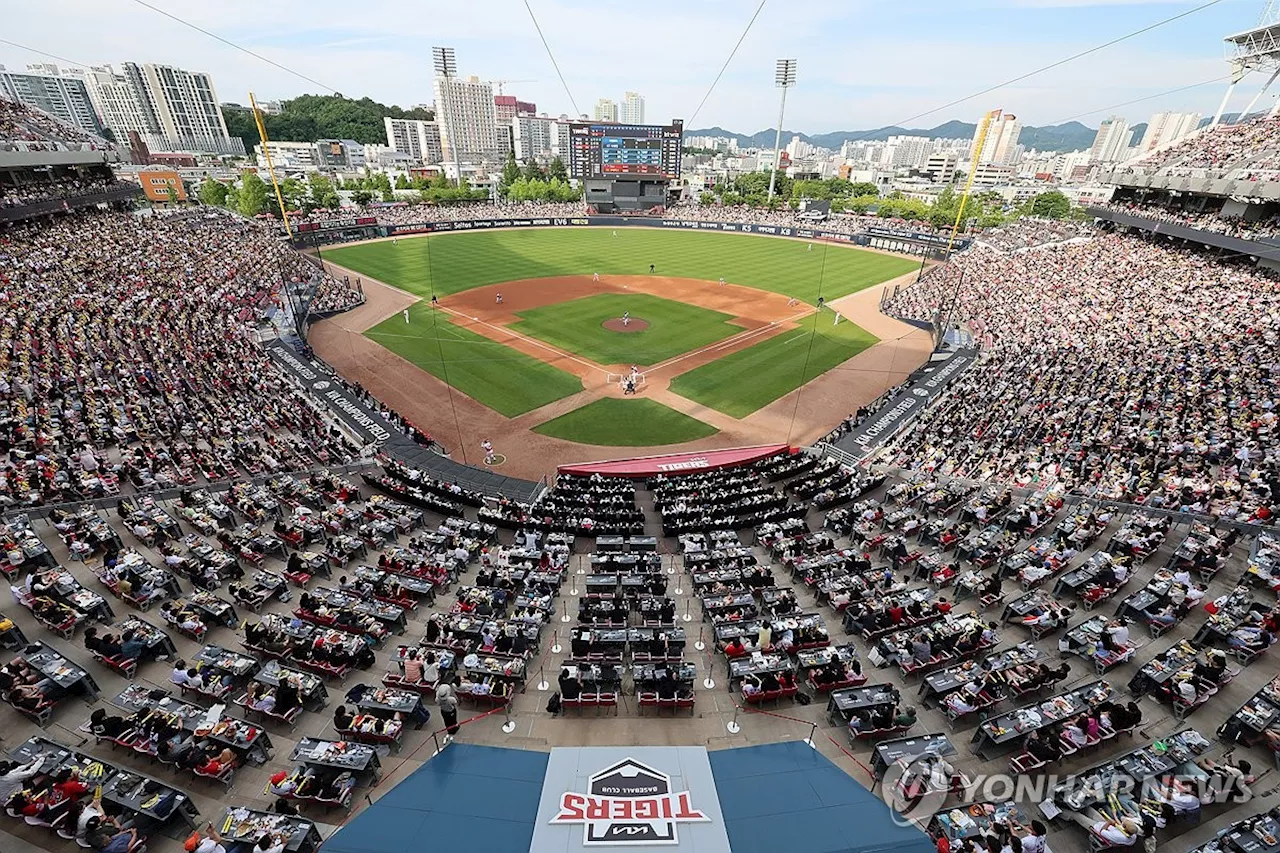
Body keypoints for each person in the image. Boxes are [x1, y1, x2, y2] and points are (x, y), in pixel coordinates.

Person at [437, 674, 460, 740]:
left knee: (446, 721)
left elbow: (438, 703)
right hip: (451, 711)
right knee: (453, 721)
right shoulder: (450, 699)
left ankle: (449, 730)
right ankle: (454, 729)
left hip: (443, 711)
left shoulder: (438, 699)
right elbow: (455, 702)